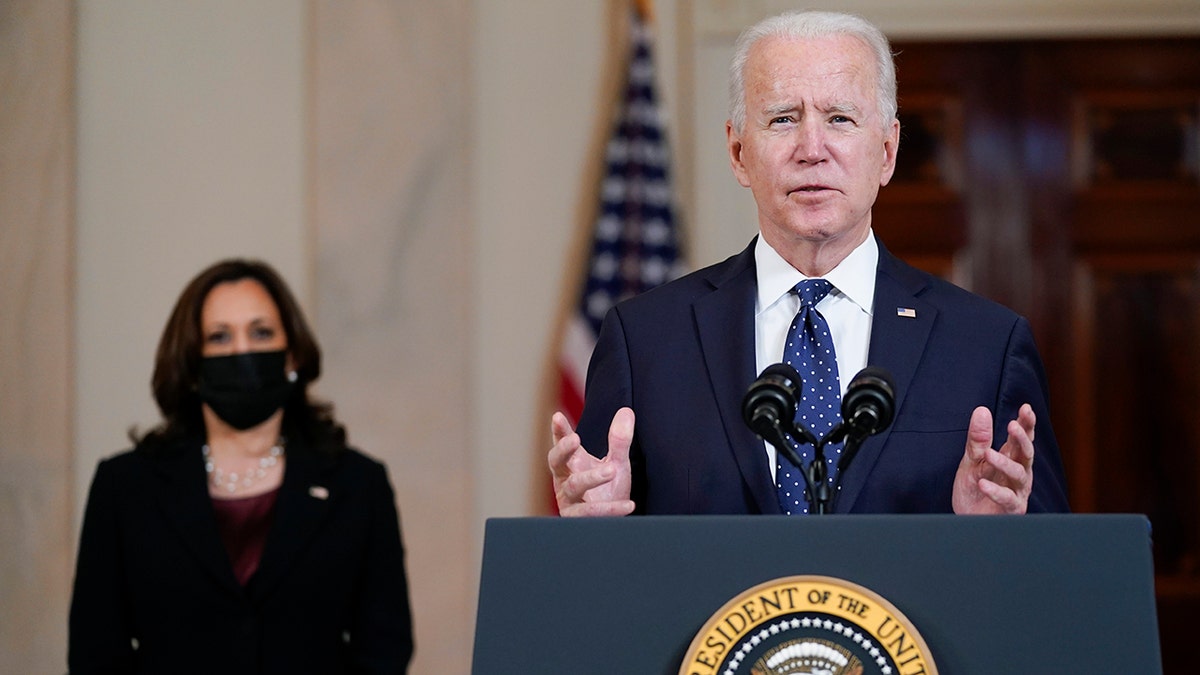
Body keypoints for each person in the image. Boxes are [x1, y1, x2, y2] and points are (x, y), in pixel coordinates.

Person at [548, 10, 1069, 517]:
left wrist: (996, 540)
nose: (811, 149)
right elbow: (599, 578)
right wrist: (592, 535)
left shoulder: (986, 346)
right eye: (783, 119)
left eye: (840, 119)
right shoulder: (645, 341)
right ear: (737, 152)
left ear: (886, 151)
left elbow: (1052, 577)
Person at [68, 259, 414, 674]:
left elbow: (384, 647)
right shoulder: (124, 487)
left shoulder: (358, 484)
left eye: (261, 332)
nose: (242, 352)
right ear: (192, 363)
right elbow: (96, 652)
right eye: (219, 337)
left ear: (292, 355)